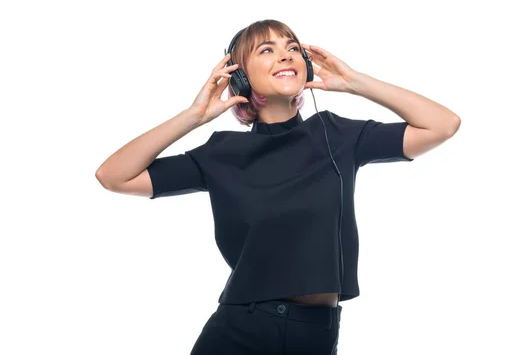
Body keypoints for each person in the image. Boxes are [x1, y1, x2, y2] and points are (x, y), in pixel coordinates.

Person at [95, 19, 461, 354]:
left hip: (316, 333)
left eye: (291, 47)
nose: (285, 55)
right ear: (239, 77)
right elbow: (114, 176)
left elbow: (442, 125)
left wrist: (356, 83)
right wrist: (193, 116)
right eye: (266, 50)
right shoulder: (220, 154)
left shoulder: (339, 134)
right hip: (240, 330)